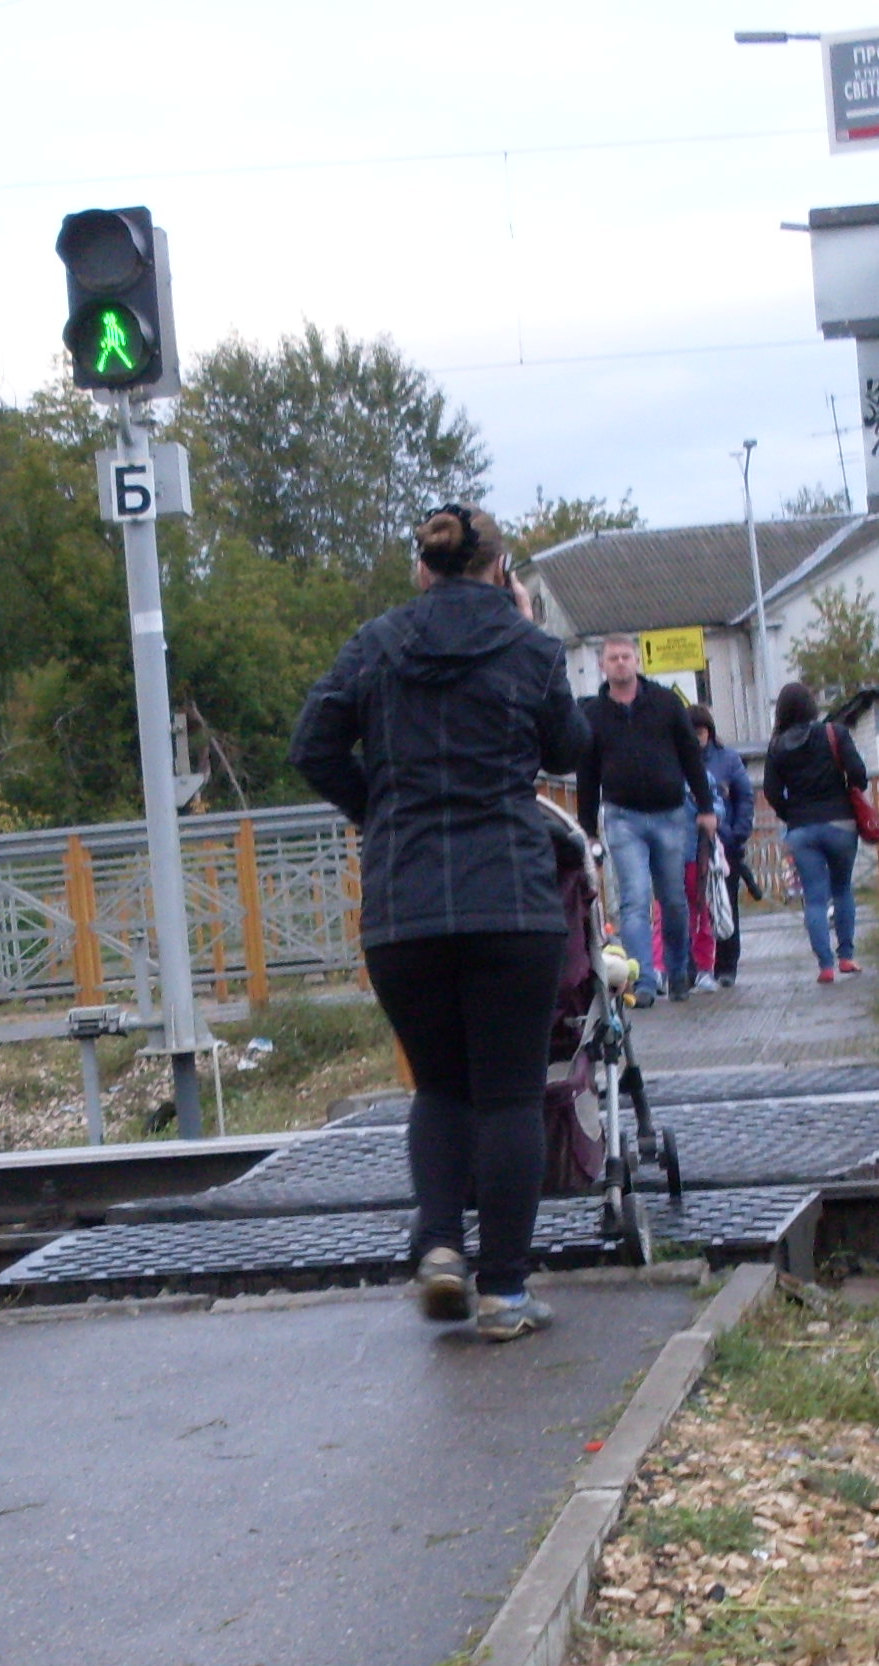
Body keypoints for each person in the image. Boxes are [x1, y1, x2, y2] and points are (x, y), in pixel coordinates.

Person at [292, 504, 584, 1344]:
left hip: (404, 907)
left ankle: (441, 1250)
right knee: (508, 1096)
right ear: (500, 570)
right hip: (511, 904)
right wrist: (525, 627)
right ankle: (504, 1293)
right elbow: (566, 749)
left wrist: (379, 811)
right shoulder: (528, 647)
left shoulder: (378, 642)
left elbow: (312, 743)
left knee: (441, 1086)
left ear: (423, 569)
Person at [575, 635, 712, 1006]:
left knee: (673, 899)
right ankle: (644, 981)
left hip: (670, 814)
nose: (620, 663)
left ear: (638, 661)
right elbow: (586, 775)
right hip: (623, 818)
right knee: (634, 900)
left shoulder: (666, 704)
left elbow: (691, 757)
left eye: (626, 657)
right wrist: (587, 830)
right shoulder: (593, 715)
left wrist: (706, 807)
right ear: (602, 666)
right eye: (613, 658)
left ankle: (679, 970)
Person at [763, 681, 867, 984]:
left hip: (801, 829)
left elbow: (771, 791)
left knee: (815, 897)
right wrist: (848, 794)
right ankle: (846, 956)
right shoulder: (834, 733)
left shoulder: (777, 746)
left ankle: (825, 965)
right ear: (811, 706)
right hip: (840, 824)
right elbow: (858, 774)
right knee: (842, 889)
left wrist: (790, 813)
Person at [690, 705, 758, 988]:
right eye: (691, 733)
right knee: (692, 906)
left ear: (710, 732)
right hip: (688, 843)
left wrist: (737, 832)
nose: (696, 738)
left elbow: (745, 796)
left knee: (725, 902)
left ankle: (726, 965)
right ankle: (694, 965)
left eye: (701, 732)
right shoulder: (674, 759)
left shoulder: (728, 760)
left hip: (723, 843)